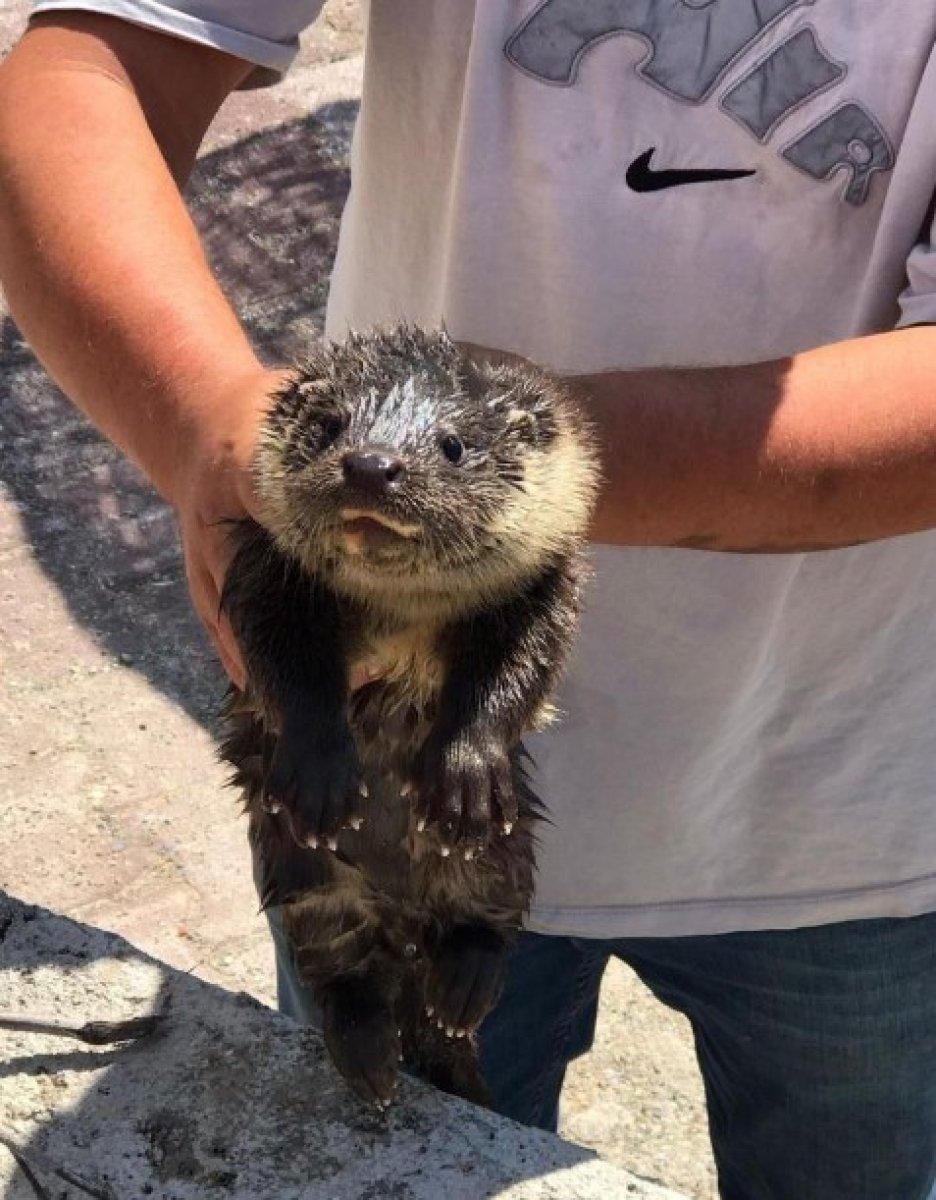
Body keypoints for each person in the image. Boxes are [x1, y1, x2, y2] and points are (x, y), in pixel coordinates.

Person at [2, 5, 936, 1196]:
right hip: (377, 811)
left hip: (855, 813)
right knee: (375, 1123)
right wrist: (201, 423)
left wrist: (522, 502)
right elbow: (98, 64)